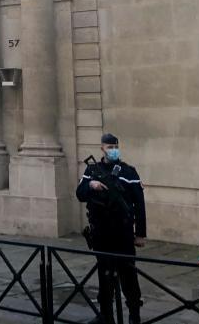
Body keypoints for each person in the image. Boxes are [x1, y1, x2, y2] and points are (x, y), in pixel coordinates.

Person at [76, 133, 146, 324]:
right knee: (104, 276)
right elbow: (80, 194)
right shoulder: (91, 170)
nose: (113, 150)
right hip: (101, 232)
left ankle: (134, 315)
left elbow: (139, 205)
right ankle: (106, 316)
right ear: (102, 149)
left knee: (128, 275)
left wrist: (140, 234)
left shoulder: (128, 172)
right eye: (109, 147)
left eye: (115, 147)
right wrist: (90, 185)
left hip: (123, 233)